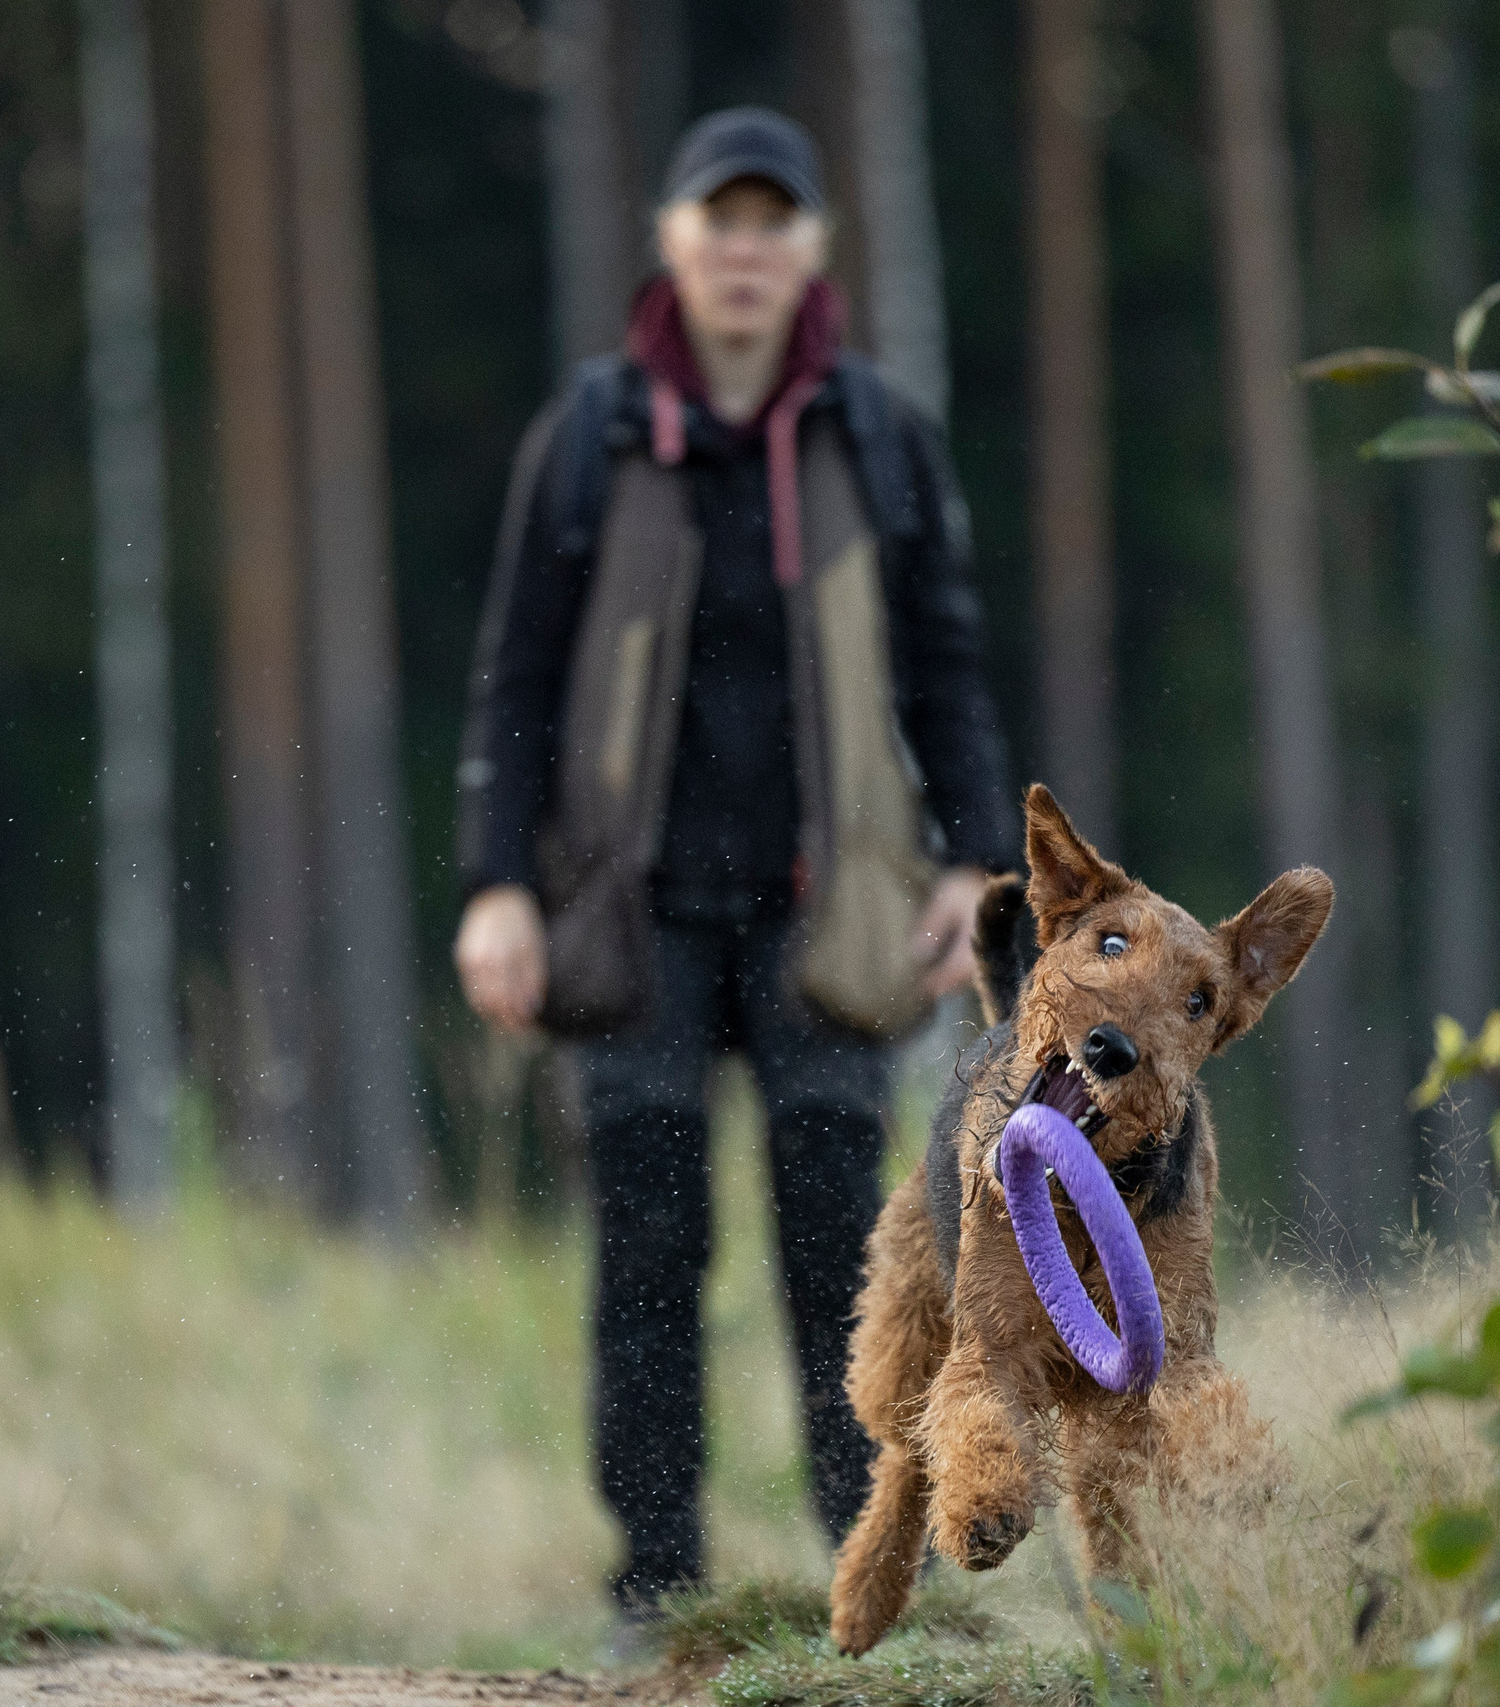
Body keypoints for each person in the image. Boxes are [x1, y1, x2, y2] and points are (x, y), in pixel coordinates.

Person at [452, 107, 1018, 1621]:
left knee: (854, 1255)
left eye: (776, 222)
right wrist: (494, 885)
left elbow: (948, 672)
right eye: (723, 220)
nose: (747, 250)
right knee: (649, 1236)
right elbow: (513, 679)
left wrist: (979, 867)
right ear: (674, 241)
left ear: (815, 250)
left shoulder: (880, 436)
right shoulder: (589, 436)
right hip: (623, 914)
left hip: (829, 916)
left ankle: (870, 1574)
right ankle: (656, 1589)